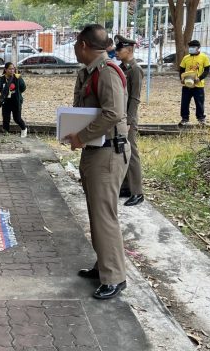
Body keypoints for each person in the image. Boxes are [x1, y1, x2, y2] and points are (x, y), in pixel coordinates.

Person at [64, 24, 130, 300]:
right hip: (96, 150)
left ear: (83, 45)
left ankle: (114, 277)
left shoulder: (107, 72)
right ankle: (104, 264)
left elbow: (113, 113)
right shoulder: (90, 72)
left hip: (108, 152)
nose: (74, 49)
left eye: (75, 44)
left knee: (104, 216)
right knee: (96, 213)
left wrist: (81, 136)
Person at [115, 35, 145, 206]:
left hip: (128, 118)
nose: (117, 52)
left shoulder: (135, 70)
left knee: (132, 153)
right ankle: (126, 187)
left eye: (120, 49)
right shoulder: (121, 68)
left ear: (129, 50)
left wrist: (129, 121)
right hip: (120, 117)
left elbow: (135, 98)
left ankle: (137, 192)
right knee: (122, 152)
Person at [178, 39, 210, 127]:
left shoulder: (204, 57)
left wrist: (199, 78)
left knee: (199, 102)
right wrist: (181, 78)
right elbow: (181, 69)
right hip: (187, 85)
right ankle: (185, 119)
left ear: (198, 48)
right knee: (185, 102)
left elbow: (207, 70)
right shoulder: (186, 58)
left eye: (193, 47)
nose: (191, 48)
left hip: (198, 85)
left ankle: (201, 119)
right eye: (190, 47)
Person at [0, 62, 28, 137]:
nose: (12, 71)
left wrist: (16, 92)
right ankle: (6, 132)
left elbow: (23, 88)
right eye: (10, 69)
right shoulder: (1, 79)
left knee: (17, 118)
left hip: (16, 100)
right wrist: (6, 93)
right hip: (6, 101)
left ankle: (24, 129)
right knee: (6, 118)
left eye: (13, 69)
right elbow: (0, 88)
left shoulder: (17, 77)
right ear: (5, 69)